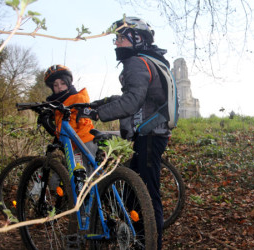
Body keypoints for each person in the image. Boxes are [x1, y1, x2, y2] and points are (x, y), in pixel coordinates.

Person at [88, 17, 171, 249]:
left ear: (138, 38)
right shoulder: (150, 61)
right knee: (132, 189)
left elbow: (132, 102)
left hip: (150, 135)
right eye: (116, 38)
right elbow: (135, 98)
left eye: (121, 37)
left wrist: (97, 114)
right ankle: (134, 235)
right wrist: (99, 104)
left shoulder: (137, 62)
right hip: (153, 133)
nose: (116, 42)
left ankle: (151, 242)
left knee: (148, 193)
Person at [43, 64, 97, 170]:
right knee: (60, 178)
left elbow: (73, 124)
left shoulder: (78, 99)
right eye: (55, 85)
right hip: (70, 145)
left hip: (83, 142)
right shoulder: (57, 103)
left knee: (81, 179)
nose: (59, 87)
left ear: (68, 83)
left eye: (63, 83)